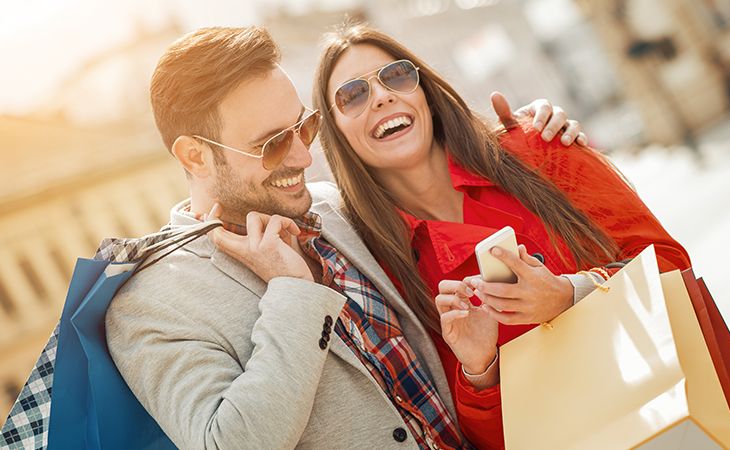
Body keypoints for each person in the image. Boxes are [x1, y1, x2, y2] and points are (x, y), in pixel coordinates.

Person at [104, 26, 584, 449]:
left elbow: (437, 183)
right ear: (194, 157)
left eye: (303, 127)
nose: (302, 158)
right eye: (271, 145)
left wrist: (529, 138)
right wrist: (294, 294)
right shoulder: (149, 304)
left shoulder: (333, 208)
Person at [311, 23, 692, 449]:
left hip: (680, 415)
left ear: (425, 93)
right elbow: (484, 440)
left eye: (396, 75)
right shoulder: (384, 270)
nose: (381, 95)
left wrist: (570, 294)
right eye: (352, 95)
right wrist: (480, 368)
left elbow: (674, 266)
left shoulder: (540, 147)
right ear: (336, 134)